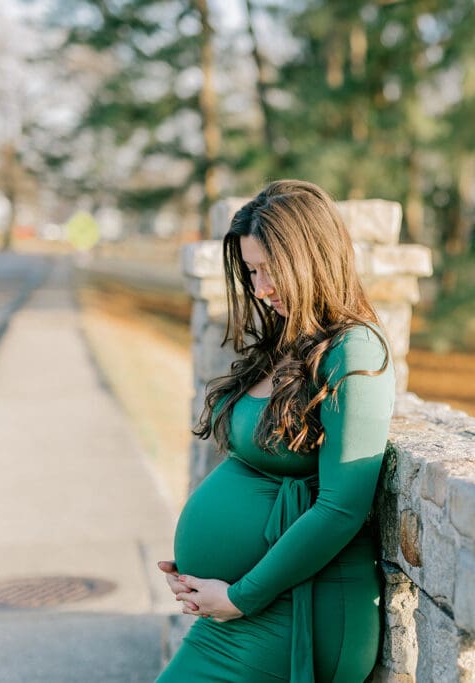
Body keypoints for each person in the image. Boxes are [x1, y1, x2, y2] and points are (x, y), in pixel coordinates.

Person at [155, 179, 395, 682]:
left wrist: (240, 595)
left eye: (270, 270)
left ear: (311, 258)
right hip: (243, 609)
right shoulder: (290, 341)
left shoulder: (355, 351)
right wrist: (204, 571)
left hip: (300, 610)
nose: (260, 289)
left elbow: (341, 507)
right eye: (252, 272)